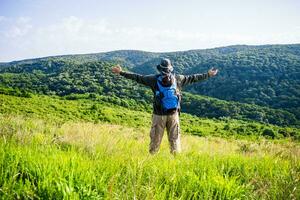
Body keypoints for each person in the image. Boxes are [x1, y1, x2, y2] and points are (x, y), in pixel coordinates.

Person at [112, 58, 218, 154]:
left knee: (155, 139)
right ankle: (176, 159)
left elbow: (138, 78)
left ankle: (152, 157)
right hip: (173, 114)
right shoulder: (178, 78)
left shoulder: (153, 79)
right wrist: (208, 74)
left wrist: (121, 72)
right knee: (174, 140)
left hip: (159, 115)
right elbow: (193, 78)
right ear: (170, 69)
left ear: (160, 69)